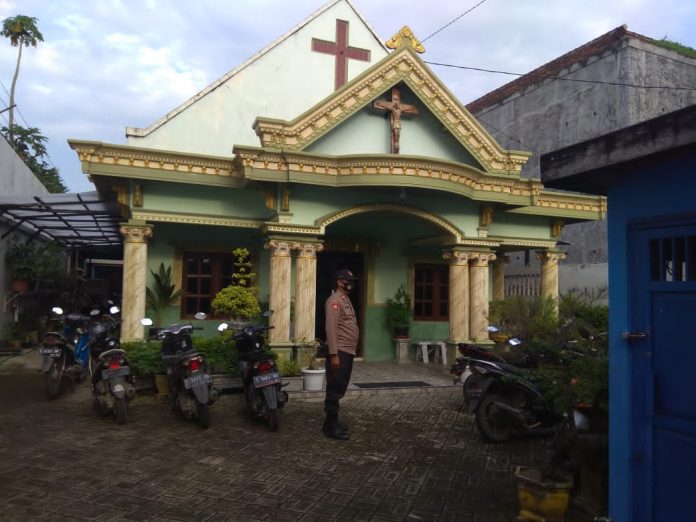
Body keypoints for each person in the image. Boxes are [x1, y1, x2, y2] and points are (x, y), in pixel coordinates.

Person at [323, 269, 359, 440]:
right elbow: (330, 328)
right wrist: (334, 354)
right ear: (339, 282)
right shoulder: (334, 301)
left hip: (347, 351)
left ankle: (331, 422)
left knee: (340, 387)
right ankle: (331, 427)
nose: (351, 283)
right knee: (334, 388)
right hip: (340, 352)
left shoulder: (345, 299)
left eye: (352, 281)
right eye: (348, 280)